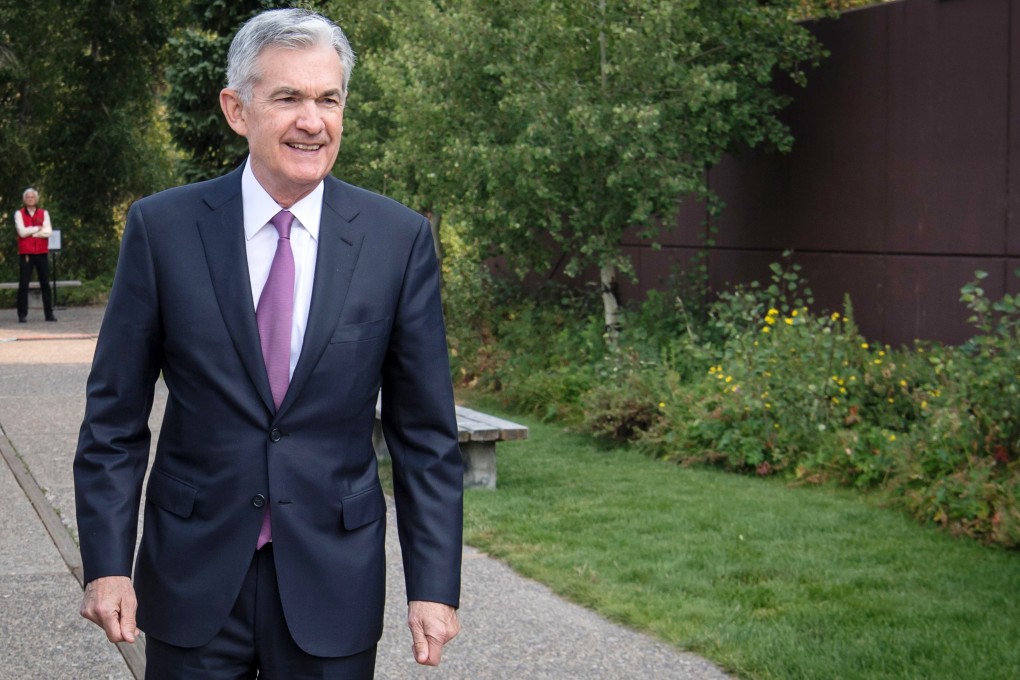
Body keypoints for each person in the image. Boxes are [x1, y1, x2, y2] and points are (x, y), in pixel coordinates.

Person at [73, 8, 463, 679]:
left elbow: (425, 435)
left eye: (328, 99)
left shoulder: (396, 241)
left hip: (333, 582)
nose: (312, 121)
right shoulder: (162, 230)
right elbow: (113, 420)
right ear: (236, 109)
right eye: (288, 98)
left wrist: (433, 586)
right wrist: (108, 565)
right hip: (191, 577)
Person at [13, 187, 57, 322]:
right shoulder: (19, 214)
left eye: (32, 197)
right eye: (28, 197)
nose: (30, 199)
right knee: (24, 284)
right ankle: (22, 315)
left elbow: (48, 231)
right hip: (26, 253)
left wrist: (31, 232)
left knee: (45, 284)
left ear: (36, 199)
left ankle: (49, 314)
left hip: (42, 253)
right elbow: (21, 232)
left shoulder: (44, 213)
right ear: (24, 200)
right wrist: (38, 229)